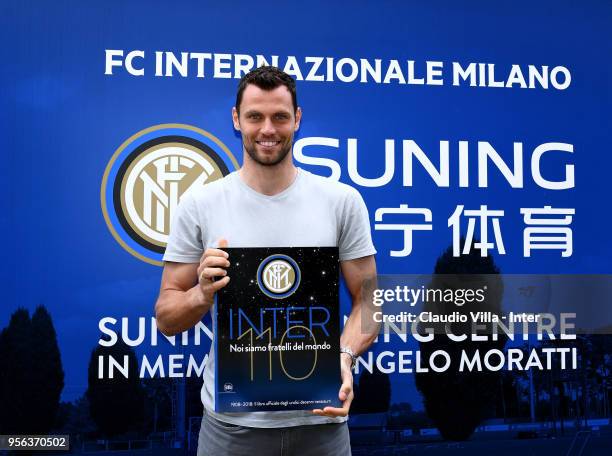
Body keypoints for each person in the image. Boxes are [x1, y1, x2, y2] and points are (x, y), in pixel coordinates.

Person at [155, 66, 378, 455]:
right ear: (236, 119)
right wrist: (200, 295)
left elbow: (370, 302)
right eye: (255, 116)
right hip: (231, 430)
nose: (268, 129)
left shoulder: (341, 201)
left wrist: (342, 357)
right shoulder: (200, 205)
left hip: (321, 424)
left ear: (298, 119)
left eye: (280, 116)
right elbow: (166, 317)